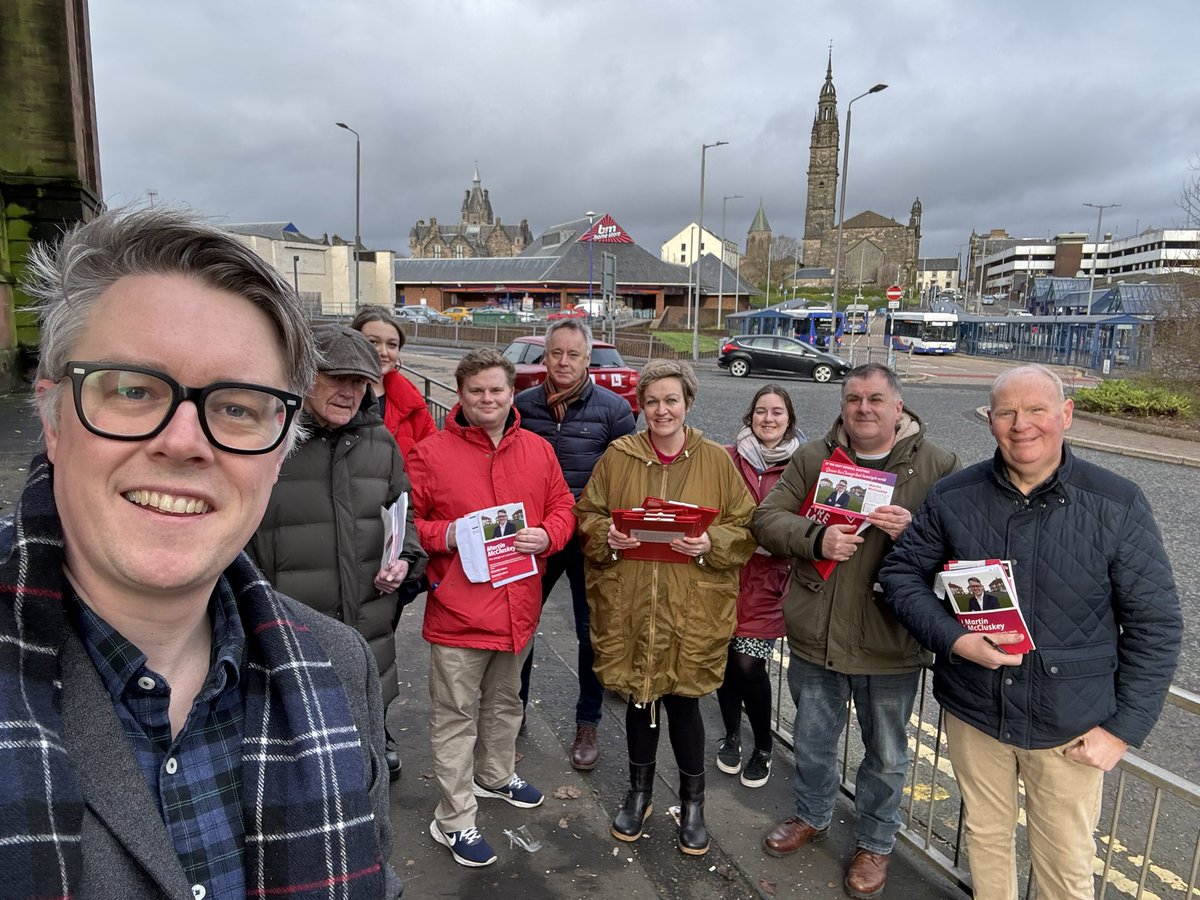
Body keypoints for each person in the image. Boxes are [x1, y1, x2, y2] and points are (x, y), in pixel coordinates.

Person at [1, 208, 401, 898]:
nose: (185, 441)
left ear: (279, 453)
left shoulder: (340, 668)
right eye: (132, 389)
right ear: (54, 417)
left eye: (238, 407)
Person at [880, 364, 1182, 900]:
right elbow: (900, 574)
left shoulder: (1117, 501)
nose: (1022, 425)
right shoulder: (954, 495)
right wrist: (954, 639)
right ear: (989, 421)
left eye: (1037, 409)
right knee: (985, 840)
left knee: (1066, 864)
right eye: (1007, 412)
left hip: (1070, 724)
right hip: (977, 710)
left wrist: (1123, 730)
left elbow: (1154, 624)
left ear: (1065, 415)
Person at [752, 362, 959, 899]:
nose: (863, 408)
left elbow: (964, 549)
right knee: (814, 742)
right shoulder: (814, 458)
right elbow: (766, 519)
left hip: (890, 640)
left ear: (898, 407)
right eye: (852, 399)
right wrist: (815, 538)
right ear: (842, 405)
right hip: (817, 634)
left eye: (874, 399)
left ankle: (875, 843)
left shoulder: (938, 465)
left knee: (886, 755)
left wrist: (915, 534)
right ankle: (812, 815)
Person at [574, 360, 756, 856]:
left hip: (691, 606)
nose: (661, 410)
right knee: (639, 698)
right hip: (632, 602)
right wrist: (604, 536)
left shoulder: (717, 461)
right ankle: (639, 793)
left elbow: (745, 526)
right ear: (640, 406)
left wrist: (710, 542)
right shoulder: (619, 457)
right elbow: (587, 514)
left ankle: (693, 803)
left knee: (683, 702)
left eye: (671, 400)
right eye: (651, 401)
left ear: (688, 404)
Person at [406, 348, 576, 868]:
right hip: (459, 611)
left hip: (518, 609)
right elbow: (407, 528)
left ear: (511, 392)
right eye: (477, 390)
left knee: (506, 705)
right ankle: (453, 818)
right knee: (455, 716)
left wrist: (548, 535)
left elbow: (564, 507)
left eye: (496, 390)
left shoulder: (538, 450)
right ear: (460, 395)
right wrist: (448, 533)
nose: (488, 399)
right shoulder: (428, 453)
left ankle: (496, 775)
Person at [248, 323, 427, 783]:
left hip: (368, 618)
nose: (349, 393)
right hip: (291, 621)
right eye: (337, 379)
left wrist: (405, 559)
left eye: (359, 382)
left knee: (366, 736)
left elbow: (404, 514)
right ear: (305, 376)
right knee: (302, 756)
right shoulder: (266, 441)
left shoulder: (380, 443)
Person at [515, 318, 635, 770]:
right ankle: (514, 711)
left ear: (589, 360)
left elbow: (626, 479)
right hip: (537, 537)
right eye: (556, 353)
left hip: (588, 538)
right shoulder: (522, 405)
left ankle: (588, 722)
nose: (563, 362)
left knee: (591, 633)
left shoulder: (613, 410)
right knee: (521, 626)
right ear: (545, 356)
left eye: (574, 355)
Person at [716, 385, 804, 789]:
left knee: (749, 665)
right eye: (761, 411)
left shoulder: (804, 463)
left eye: (777, 412)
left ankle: (764, 745)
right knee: (725, 664)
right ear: (749, 416)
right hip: (724, 577)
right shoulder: (727, 457)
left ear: (789, 419)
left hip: (771, 581)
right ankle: (732, 735)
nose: (768, 419)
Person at [350, 305, 438, 457]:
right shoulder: (331, 396)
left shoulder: (413, 406)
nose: (383, 352)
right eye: (373, 342)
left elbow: (433, 458)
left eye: (391, 345)